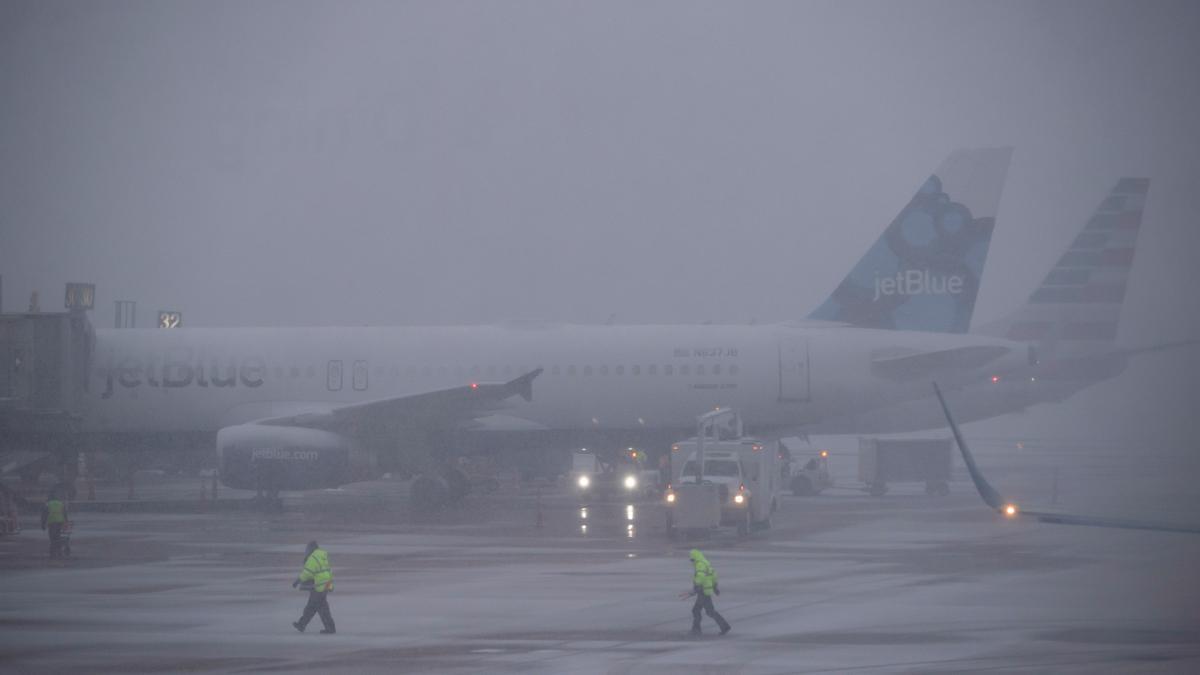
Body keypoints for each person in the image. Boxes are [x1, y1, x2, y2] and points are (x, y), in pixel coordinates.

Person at [292, 541, 335, 634]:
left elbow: (307, 573)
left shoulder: (313, 558)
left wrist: (297, 581)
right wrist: (330, 586)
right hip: (324, 586)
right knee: (320, 608)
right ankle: (330, 628)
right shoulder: (322, 557)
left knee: (313, 607)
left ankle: (302, 625)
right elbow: (328, 573)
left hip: (318, 587)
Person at [686, 549, 730, 636]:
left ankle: (723, 626)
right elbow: (714, 575)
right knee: (698, 610)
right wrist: (714, 586)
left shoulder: (700, 564)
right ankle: (697, 629)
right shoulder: (706, 563)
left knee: (706, 611)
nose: (691, 561)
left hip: (703, 591)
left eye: (692, 559)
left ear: (695, 557)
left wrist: (697, 586)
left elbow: (700, 576)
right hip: (706, 590)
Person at [40, 490, 69, 560]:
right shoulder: (60, 503)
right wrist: (66, 522)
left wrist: (43, 524)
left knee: (52, 536)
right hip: (60, 521)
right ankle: (58, 548)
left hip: (52, 521)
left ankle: (53, 550)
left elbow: (44, 514)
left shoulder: (48, 504)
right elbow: (65, 513)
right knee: (57, 534)